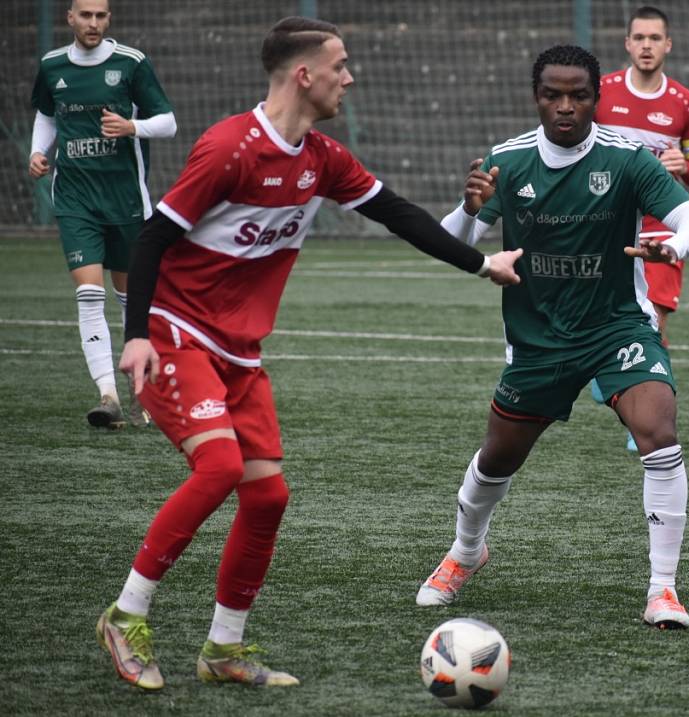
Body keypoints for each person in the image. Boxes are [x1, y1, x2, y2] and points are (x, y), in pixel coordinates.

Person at [95, 16, 523, 691]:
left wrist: (480, 264)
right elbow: (153, 235)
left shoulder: (322, 156)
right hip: (178, 334)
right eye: (340, 65)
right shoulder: (230, 148)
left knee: (267, 495)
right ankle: (126, 613)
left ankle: (223, 648)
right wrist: (138, 335)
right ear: (304, 75)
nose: (348, 77)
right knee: (219, 468)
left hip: (238, 352)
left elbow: (398, 214)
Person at [415, 46, 689, 632]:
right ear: (537, 98)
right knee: (498, 458)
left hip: (616, 326)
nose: (566, 106)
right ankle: (466, 552)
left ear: (594, 99)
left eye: (578, 95)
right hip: (538, 339)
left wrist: (671, 246)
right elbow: (450, 242)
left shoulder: (627, 159)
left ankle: (663, 591)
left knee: (659, 432)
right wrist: (469, 210)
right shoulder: (508, 160)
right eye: (553, 94)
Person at [30, 0, 176, 429]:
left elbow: (167, 123)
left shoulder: (131, 64)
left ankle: (142, 394)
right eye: (86, 15)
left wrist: (133, 127)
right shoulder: (52, 65)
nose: (93, 23)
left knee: (132, 300)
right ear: (70, 17)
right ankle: (107, 395)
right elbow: (46, 113)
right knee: (89, 295)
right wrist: (38, 153)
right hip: (75, 199)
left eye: (101, 16)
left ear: (108, 20)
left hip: (126, 201)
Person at [592, 6, 689, 449]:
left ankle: (642, 415)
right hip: (605, 222)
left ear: (668, 45)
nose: (646, 45)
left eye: (654, 38)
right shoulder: (600, 93)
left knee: (652, 315)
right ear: (627, 44)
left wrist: (688, 164)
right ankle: (607, 379)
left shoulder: (686, 103)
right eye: (639, 37)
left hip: (660, 225)